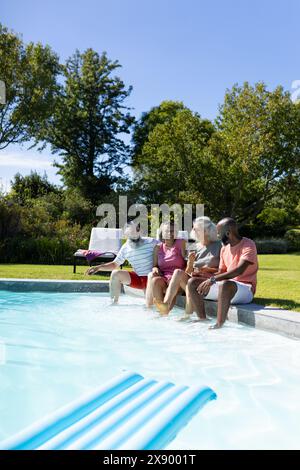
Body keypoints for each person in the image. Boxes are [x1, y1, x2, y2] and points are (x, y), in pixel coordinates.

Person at [187, 217, 258, 328]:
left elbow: (239, 270)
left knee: (225, 284)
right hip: (226, 288)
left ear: (228, 233)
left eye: (219, 233)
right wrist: (204, 274)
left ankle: (219, 323)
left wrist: (213, 279)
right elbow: (222, 272)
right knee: (192, 282)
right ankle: (202, 318)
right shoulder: (224, 249)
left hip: (245, 289)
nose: (217, 236)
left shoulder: (248, 244)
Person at [154, 216, 221, 316]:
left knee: (191, 284)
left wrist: (205, 270)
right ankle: (166, 305)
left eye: (196, 229)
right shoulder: (193, 245)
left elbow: (225, 269)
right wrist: (190, 263)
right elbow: (188, 271)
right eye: (193, 228)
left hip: (209, 281)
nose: (193, 231)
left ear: (207, 231)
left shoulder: (219, 245)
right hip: (194, 279)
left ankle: (186, 316)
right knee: (178, 272)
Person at [86, 222, 158, 303]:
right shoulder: (125, 248)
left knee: (149, 305)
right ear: (126, 235)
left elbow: (167, 251)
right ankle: (114, 303)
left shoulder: (151, 242)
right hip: (138, 278)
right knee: (115, 274)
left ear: (139, 231)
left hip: (151, 278)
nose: (133, 235)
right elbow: (114, 264)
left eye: (135, 231)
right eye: (130, 234)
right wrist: (98, 267)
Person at [146, 222, 186, 311]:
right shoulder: (158, 248)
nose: (170, 233)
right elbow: (155, 266)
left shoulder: (180, 242)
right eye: (167, 231)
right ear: (162, 233)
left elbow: (187, 261)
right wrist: (155, 269)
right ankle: (159, 310)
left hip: (178, 277)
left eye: (173, 231)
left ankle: (165, 310)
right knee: (155, 280)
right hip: (165, 277)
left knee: (173, 282)